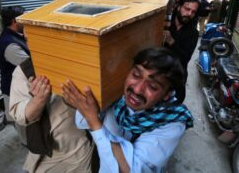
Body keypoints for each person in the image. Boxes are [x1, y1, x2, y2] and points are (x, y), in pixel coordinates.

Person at [62, 47, 193, 173]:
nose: (137, 90)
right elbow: (84, 121)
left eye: (152, 86)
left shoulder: (172, 122)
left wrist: (94, 121)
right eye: (136, 75)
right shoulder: (114, 92)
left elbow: (132, 169)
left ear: (167, 95)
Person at [9, 62, 94, 172]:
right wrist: (39, 99)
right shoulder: (25, 69)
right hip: (49, 153)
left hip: (82, 146)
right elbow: (21, 116)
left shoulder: (83, 60)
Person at [0, 6, 30, 142]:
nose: (27, 21)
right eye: (24, 18)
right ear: (14, 21)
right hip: (14, 90)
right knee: (22, 123)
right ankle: (28, 145)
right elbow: (29, 66)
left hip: (18, 86)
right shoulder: (10, 44)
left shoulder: (16, 36)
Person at [163, 0, 200, 99]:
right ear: (179, 7)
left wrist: (171, 41)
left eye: (193, 12)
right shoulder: (164, 23)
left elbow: (185, 58)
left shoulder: (193, 33)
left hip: (176, 76)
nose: (189, 14)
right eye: (187, 9)